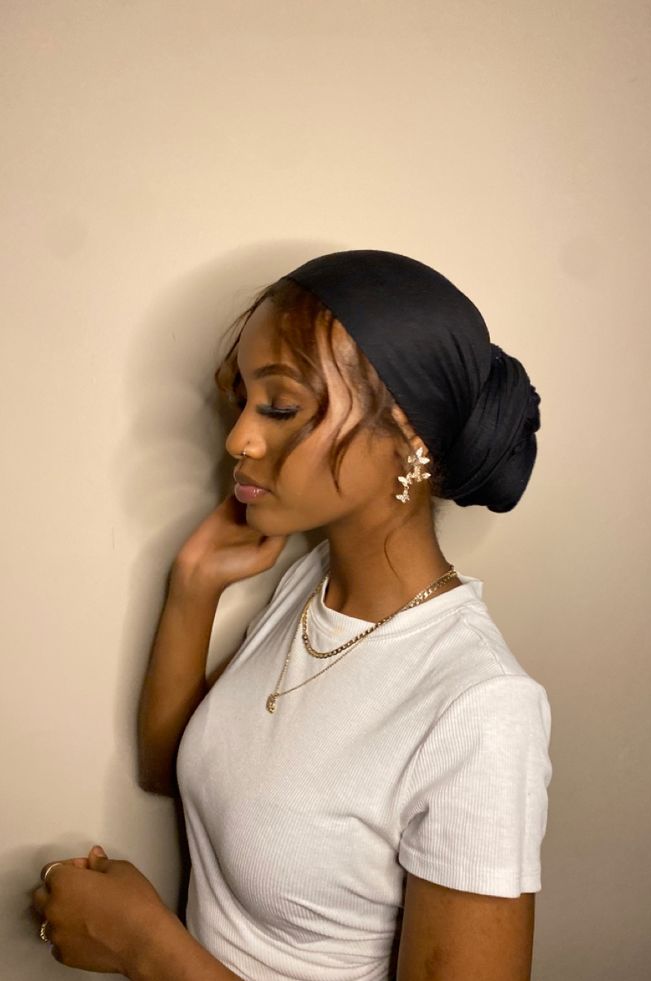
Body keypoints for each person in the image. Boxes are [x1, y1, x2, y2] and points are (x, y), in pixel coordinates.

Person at [30, 249, 552, 981]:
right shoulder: (310, 586)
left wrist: (148, 948)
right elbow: (171, 766)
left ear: (409, 436)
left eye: (278, 406)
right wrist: (193, 585)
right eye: (240, 400)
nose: (238, 438)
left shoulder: (481, 709)